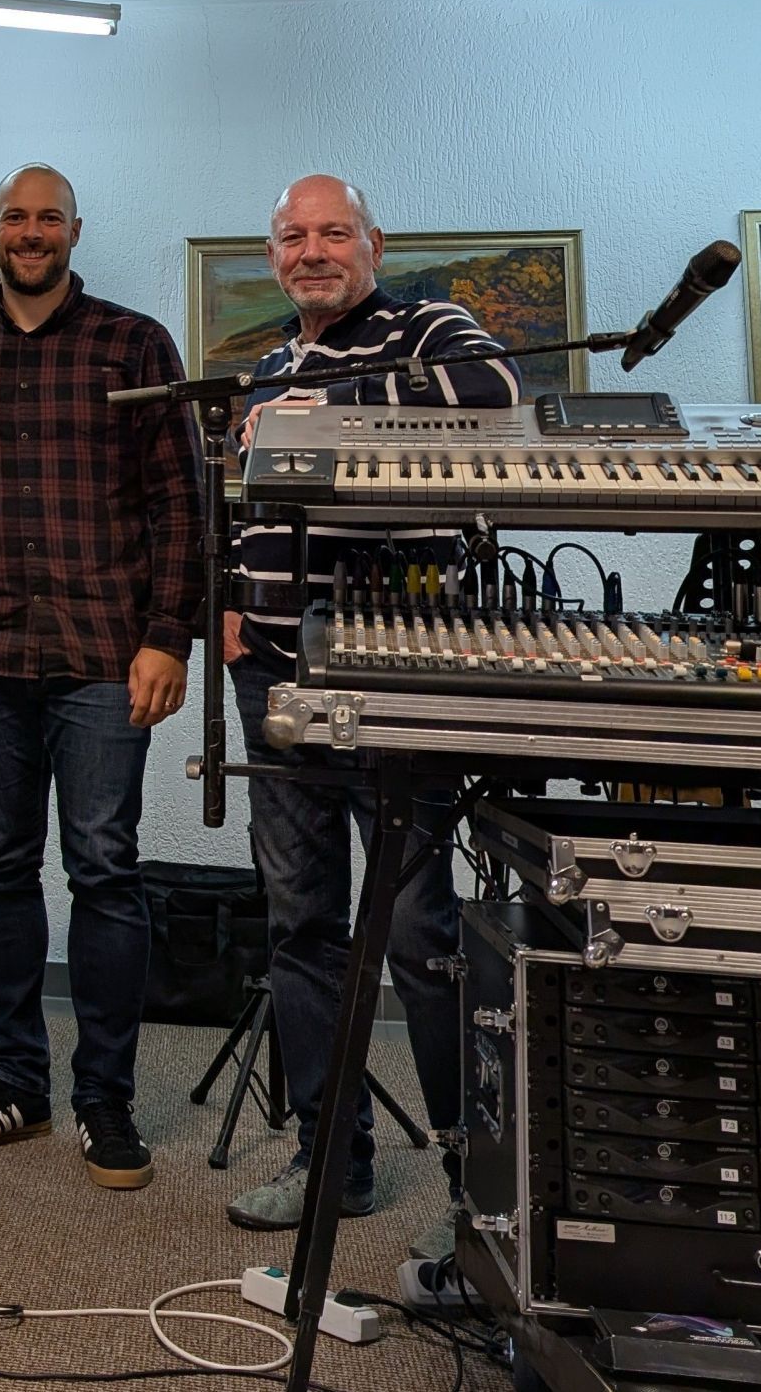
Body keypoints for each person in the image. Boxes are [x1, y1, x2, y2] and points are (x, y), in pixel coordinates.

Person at [222, 174, 521, 1258]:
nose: (313, 251)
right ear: (274, 257)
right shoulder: (267, 362)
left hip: (397, 665)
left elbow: (491, 395)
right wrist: (227, 597)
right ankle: (329, 1156)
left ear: (373, 243)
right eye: (293, 236)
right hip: (272, 673)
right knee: (300, 923)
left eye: (333, 232)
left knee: (415, 928)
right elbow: (242, 492)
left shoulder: (427, 325)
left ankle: (469, 1167)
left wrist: (329, 414)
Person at [0, 164, 203, 1191]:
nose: (31, 232)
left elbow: (182, 500)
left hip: (102, 656)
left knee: (103, 867)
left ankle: (104, 1098)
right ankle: (14, 1083)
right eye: (15, 217)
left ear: (75, 230)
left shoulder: (135, 345)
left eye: (48, 218)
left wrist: (169, 636)